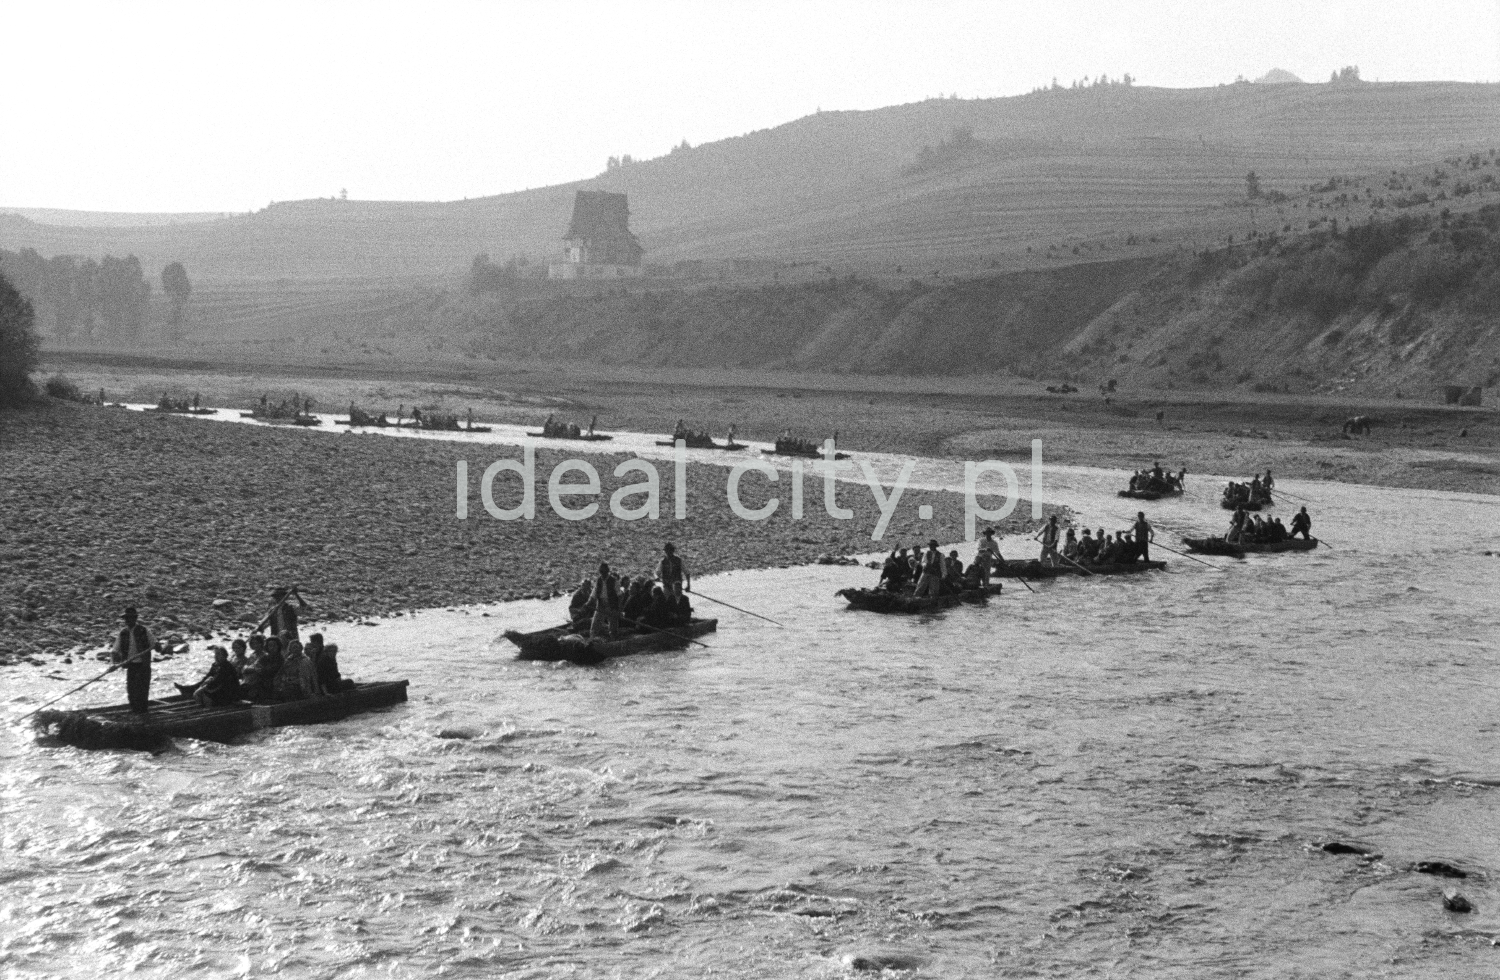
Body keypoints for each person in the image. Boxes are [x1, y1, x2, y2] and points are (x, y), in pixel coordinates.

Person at [111, 607, 156, 713]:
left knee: (142, 690)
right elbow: (114, 650)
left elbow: (154, 644)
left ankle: (143, 713)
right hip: (131, 665)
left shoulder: (143, 630)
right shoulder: (123, 633)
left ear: (135, 619)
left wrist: (156, 646)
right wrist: (113, 664)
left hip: (143, 664)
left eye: (130, 618)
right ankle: (135, 711)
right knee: (131, 691)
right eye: (126, 618)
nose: (127, 620)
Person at [590, 563, 620, 639]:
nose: (602, 574)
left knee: (613, 627)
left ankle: (614, 640)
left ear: (607, 571)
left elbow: (619, 596)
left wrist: (619, 609)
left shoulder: (614, 581)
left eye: (604, 572)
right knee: (595, 625)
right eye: (601, 572)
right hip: (601, 605)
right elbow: (594, 594)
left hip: (612, 605)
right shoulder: (598, 581)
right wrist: (588, 603)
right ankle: (592, 639)